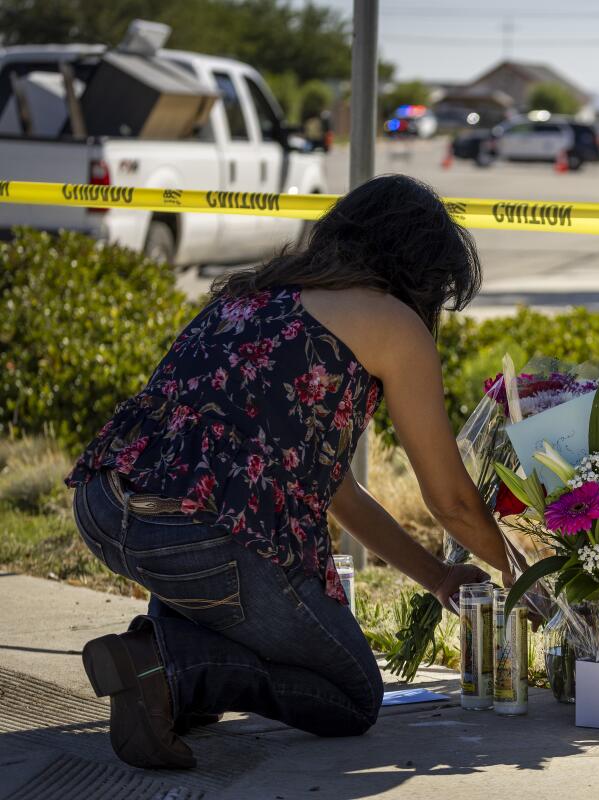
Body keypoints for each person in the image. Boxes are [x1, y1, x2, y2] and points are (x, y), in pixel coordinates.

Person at [65, 175, 510, 769]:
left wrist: (437, 576)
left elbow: (337, 493)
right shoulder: (391, 322)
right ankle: (164, 665)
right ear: (421, 272)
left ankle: (165, 670)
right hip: (201, 541)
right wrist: (527, 582)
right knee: (352, 694)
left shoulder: (253, 293)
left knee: (241, 628)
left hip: (104, 508)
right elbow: (452, 501)